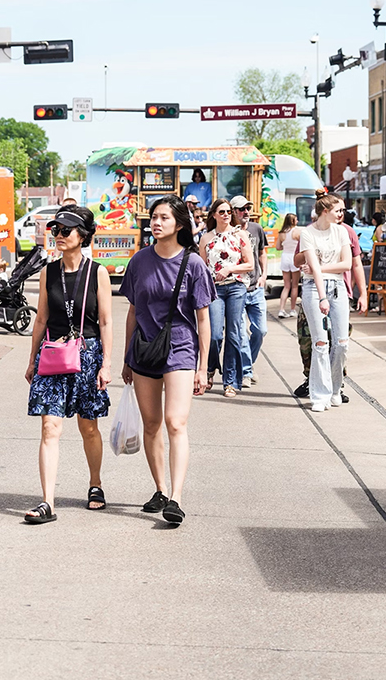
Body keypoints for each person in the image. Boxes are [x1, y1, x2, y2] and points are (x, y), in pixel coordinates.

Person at [121, 194, 213, 527]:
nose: (156, 223)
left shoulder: (194, 264)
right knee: (151, 424)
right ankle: (159, 489)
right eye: (153, 217)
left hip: (181, 350)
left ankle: (176, 497)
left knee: (176, 422)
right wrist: (126, 358)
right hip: (144, 348)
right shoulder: (139, 261)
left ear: (180, 224)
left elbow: (203, 319)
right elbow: (132, 311)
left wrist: (204, 367)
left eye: (164, 218)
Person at [21, 207, 113, 524]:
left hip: (87, 355)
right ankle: (48, 502)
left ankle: (95, 483)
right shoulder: (48, 271)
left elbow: (105, 321)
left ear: (83, 236)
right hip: (53, 354)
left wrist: (107, 364)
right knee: (50, 428)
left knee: (88, 427)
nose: (59, 235)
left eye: (66, 230)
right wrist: (31, 359)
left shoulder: (97, 272)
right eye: (56, 229)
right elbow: (42, 318)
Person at [296, 194, 354, 413]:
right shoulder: (308, 233)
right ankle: (319, 395)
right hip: (314, 288)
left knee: (341, 343)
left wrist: (319, 268)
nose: (342, 214)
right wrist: (322, 297)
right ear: (325, 210)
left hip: (338, 287)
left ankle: (335, 388)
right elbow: (312, 270)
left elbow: (346, 264)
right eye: (338, 210)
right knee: (320, 343)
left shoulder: (342, 232)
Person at [199, 198, 254, 397]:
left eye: (228, 212)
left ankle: (230, 381)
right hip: (214, 289)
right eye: (221, 212)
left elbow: (250, 264)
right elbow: (202, 268)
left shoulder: (240, 235)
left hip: (236, 287)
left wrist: (230, 268)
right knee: (214, 334)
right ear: (213, 214)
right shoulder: (206, 238)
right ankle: (211, 366)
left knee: (233, 334)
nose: (225, 215)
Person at [230, 195, 267, 389]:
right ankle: (245, 372)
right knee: (241, 333)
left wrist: (264, 276)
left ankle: (247, 366)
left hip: (256, 287)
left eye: (248, 208)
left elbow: (262, 253)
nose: (246, 212)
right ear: (234, 212)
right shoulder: (230, 232)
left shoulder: (256, 229)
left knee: (261, 330)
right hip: (237, 288)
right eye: (242, 209)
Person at [276, 213, 300, 318]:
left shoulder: (281, 233)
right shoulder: (297, 232)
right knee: (294, 285)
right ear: (293, 221)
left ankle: (281, 309)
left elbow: (278, 247)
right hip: (294, 257)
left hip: (285, 257)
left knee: (286, 286)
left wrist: (285, 247)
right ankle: (292, 309)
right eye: (296, 219)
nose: (297, 221)